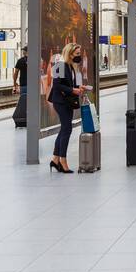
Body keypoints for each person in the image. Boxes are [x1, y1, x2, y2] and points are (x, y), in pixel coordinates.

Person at [47, 41, 86, 174]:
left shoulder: (70, 67)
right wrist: (73, 90)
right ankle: (63, 160)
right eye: (77, 53)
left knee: (64, 129)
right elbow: (57, 85)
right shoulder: (60, 66)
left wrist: (78, 88)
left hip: (66, 101)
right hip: (60, 102)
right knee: (67, 129)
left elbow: (68, 84)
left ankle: (55, 159)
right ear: (69, 54)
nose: (79, 56)